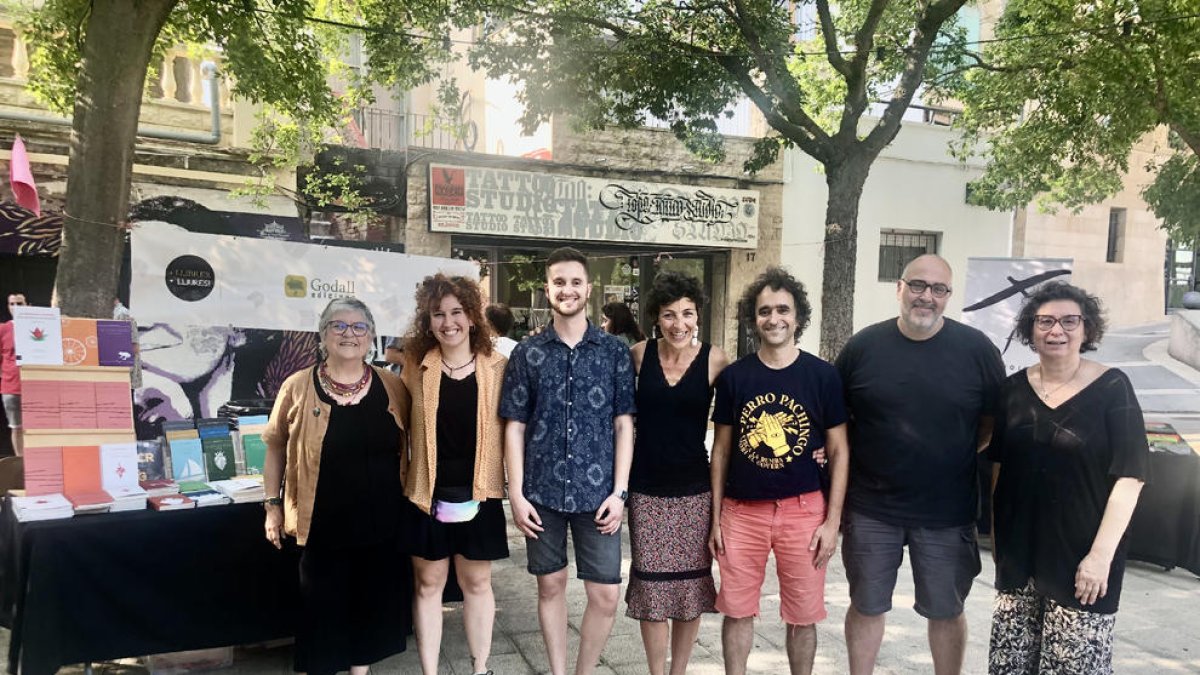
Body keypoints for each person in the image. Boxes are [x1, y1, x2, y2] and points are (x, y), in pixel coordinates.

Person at [835, 254, 1004, 675]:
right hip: (872, 508)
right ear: (899, 288)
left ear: (948, 296)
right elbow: (838, 422)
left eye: (938, 289)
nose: (926, 297)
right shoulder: (862, 348)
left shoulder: (977, 351)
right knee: (866, 604)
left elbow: (989, 427)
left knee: (946, 610)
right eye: (917, 286)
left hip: (948, 512)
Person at [988, 282, 1147, 674]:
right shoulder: (1012, 390)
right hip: (1020, 559)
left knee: (1073, 667)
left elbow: (1131, 477)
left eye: (1069, 321)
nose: (1056, 330)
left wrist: (1099, 558)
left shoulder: (1113, 387)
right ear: (1030, 330)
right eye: (1044, 321)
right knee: (1009, 666)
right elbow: (998, 468)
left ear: (1087, 330)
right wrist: (998, 542)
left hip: (1082, 562)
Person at [500, 247, 636, 675]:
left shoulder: (613, 351)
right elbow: (515, 426)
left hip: (599, 496)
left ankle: (584, 671)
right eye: (559, 282)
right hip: (542, 494)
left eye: (575, 282)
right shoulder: (528, 353)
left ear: (589, 289)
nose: (568, 290)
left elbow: (624, 426)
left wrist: (620, 493)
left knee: (605, 595)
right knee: (550, 586)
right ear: (548, 289)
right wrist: (517, 494)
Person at [708, 267, 848, 675]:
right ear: (753, 319)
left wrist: (832, 521)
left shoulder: (823, 376)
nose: (774, 319)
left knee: (803, 615)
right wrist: (715, 518)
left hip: (804, 511)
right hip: (741, 511)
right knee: (736, 610)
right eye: (764, 311)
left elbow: (839, 451)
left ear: (798, 316)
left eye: (783, 310)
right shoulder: (735, 378)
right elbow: (720, 451)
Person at [261, 297, 411, 675]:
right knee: (322, 611)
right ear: (322, 335)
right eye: (338, 326)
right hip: (321, 524)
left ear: (372, 336)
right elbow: (275, 445)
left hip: (380, 524)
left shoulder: (392, 386)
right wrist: (271, 505)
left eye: (359, 326)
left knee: (368, 607)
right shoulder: (297, 386)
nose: (349, 334)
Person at [400, 274, 509, 675]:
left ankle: (480, 669)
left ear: (473, 317)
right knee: (428, 585)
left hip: (480, 490)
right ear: (427, 322)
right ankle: (430, 671)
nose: (448, 322)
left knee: (477, 584)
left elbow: (514, 429)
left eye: (457, 312)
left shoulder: (498, 365)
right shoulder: (416, 365)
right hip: (427, 491)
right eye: (438, 314)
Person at [626, 271, 729, 675]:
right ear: (656, 318)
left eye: (687, 314)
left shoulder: (715, 359)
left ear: (698, 316)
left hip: (694, 491)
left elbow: (738, 423)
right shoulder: (638, 355)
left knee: (690, 588)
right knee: (651, 589)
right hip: (646, 490)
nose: (679, 324)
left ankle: (679, 670)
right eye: (669, 315)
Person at [1, 293, 25, 456]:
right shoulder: (3, 329)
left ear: (27, 305)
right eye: (12, 304)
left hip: (35, 385)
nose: (16, 308)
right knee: (16, 427)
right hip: (11, 385)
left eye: (19, 304)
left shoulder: (39, 325)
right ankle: (20, 460)